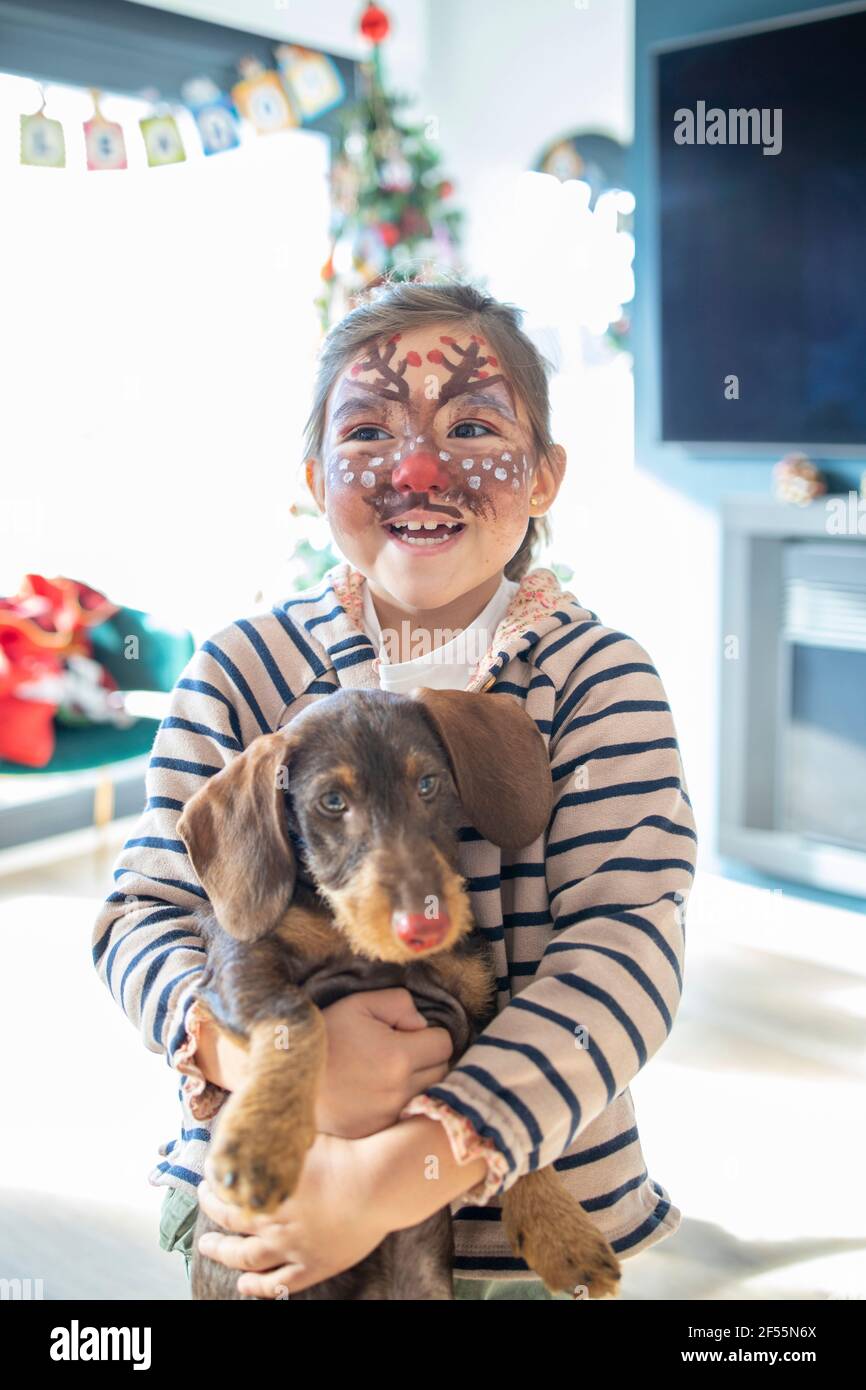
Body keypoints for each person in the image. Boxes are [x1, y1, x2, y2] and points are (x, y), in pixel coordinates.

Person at [92, 277, 697, 1301]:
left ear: (544, 476)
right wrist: (254, 1066)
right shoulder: (239, 670)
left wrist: (395, 1174)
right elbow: (141, 917)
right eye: (368, 430)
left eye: (471, 424)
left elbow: (625, 952)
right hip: (265, 1211)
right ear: (313, 477)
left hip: (513, 1241)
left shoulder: (600, 681)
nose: (418, 468)